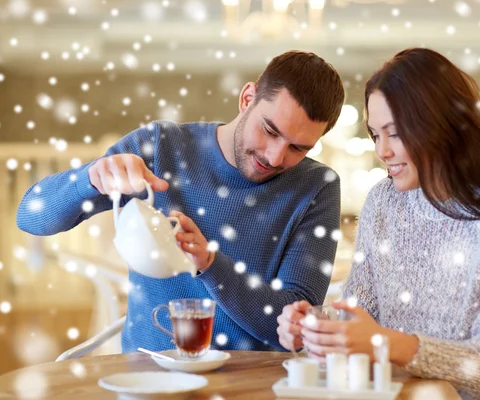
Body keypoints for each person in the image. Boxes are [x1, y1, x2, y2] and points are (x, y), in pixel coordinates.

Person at [276, 48, 480, 399]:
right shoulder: (383, 201)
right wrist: (317, 326)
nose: (382, 150)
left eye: (395, 133)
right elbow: (361, 311)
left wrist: (387, 342)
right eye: (376, 134)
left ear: (440, 127)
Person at [17, 50, 345, 353]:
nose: (275, 157)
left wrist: (210, 264)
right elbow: (31, 217)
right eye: (270, 131)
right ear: (247, 99)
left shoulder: (317, 187)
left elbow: (292, 331)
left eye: (298, 148)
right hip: (149, 378)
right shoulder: (161, 148)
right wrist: (89, 178)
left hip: (251, 384)